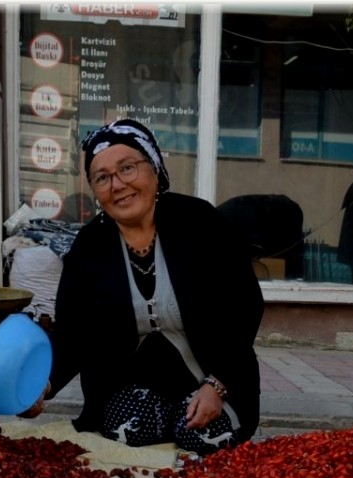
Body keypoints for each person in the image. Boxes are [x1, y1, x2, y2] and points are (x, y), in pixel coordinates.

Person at [19, 119, 264, 454]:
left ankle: (199, 413)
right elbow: (73, 332)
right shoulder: (90, 246)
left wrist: (217, 384)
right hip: (136, 389)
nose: (117, 185)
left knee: (204, 437)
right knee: (122, 432)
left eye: (128, 168)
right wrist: (42, 385)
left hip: (211, 381)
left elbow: (244, 307)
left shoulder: (199, 223)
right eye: (102, 178)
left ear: (154, 169)